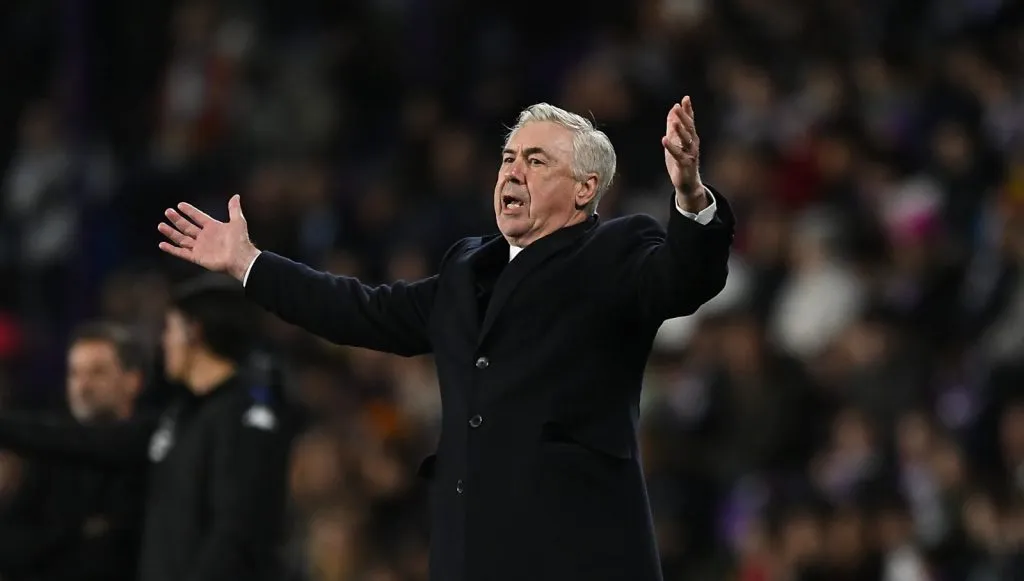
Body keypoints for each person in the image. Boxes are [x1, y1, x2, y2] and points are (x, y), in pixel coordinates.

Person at [158, 96, 734, 581]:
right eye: (508, 158)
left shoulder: (614, 250)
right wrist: (250, 264)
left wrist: (690, 197)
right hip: (470, 553)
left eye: (536, 161)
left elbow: (684, 281)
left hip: (574, 551)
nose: (512, 172)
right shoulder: (467, 268)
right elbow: (362, 311)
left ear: (585, 189)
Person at [0, 276, 295, 581]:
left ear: (193, 332)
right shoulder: (182, 416)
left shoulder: (245, 418)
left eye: (169, 329)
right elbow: (87, 441)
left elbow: (236, 535)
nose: (162, 342)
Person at [0, 322, 148, 581]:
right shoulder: (46, 456)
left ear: (133, 381)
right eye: (74, 374)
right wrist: (76, 532)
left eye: (97, 373)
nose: (83, 386)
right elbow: (10, 544)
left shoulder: (151, 448)